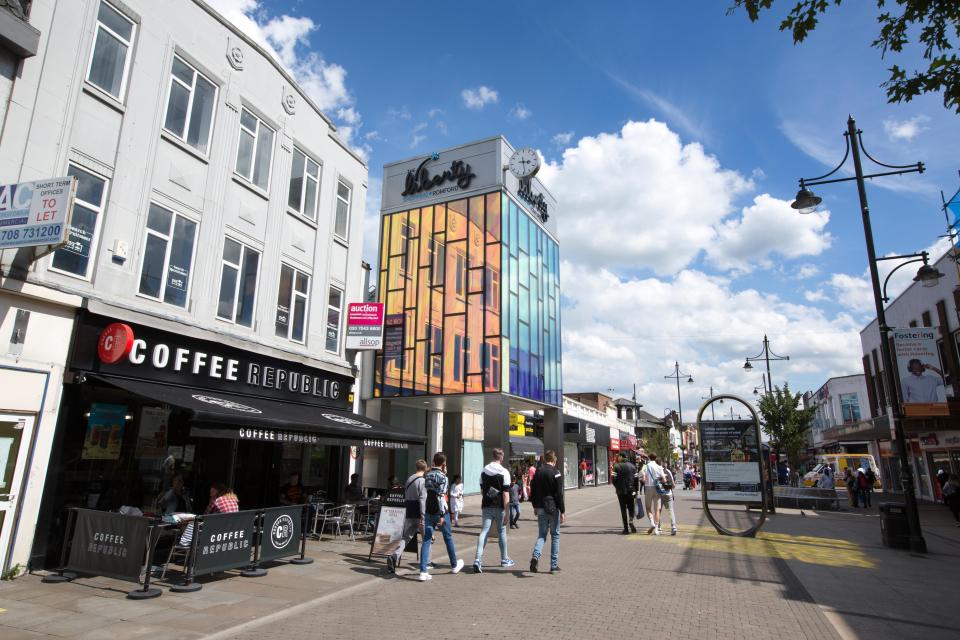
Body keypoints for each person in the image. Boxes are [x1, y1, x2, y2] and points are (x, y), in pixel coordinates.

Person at [418, 452, 465, 581]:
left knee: (426, 540)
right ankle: (454, 564)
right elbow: (441, 497)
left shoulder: (427, 475)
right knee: (448, 537)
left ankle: (423, 570)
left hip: (428, 511)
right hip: (440, 512)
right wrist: (441, 515)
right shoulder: (443, 477)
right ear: (444, 464)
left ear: (433, 462)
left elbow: (428, 494)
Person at [473, 448, 513, 572]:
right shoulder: (504, 472)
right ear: (501, 457)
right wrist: (507, 512)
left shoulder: (484, 471)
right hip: (500, 507)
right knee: (501, 532)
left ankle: (477, 559)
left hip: (486, 505)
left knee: (484, 531)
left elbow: (482, 490)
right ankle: (504, 559)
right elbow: (506, 494)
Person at [387, 459, 428, 574]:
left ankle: (394, 556)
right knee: (427, 538)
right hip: (418, 512)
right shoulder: (422, 481)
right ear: (424, 469)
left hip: (409, 511)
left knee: (406, 537)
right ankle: (425, 563)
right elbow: (422, 500)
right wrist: (423, 517)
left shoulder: (409, 479)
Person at [529, 449, 565, 573]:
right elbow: (559, 494)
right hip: (553, 507)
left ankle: (535, 555)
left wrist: (534, 505)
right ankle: (553, 566)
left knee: (542, 535)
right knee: (555, 535)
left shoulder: (538, 472)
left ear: (545, 460)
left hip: (540, 507)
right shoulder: (556, 472)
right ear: (554, 460)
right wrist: (563, 511)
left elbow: (532, 489)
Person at [611, 453, 637, 534]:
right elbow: (636, 479)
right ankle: (631, 520)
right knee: (631, 507)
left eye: (618, 456)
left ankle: (626, 529)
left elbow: (613, 479)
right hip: (631, 490)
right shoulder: (633, 466)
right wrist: (636, 490)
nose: (617, 458)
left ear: (621, 457)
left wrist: (617, 487)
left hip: (621, 491)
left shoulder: (616, 466)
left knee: (623, 509)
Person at [642, 453, 666, 535]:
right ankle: (656, 529)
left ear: (649, 458)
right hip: (657, 488)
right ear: (656, 458)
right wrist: (659, 480)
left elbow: (643, 478)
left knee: (648, 507)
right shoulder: (659, 467)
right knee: (657, 509)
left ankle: (651, 523)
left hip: (648, 488)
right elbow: (664, 480)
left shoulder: (646, 466)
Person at [657, 465, 678, 535]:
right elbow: (673, 485)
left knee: (658, 511)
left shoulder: (656, 472)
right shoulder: (668, 471)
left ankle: (659, 528)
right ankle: (673, 527)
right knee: (671, 511)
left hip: (659, 494)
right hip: (668, 494)